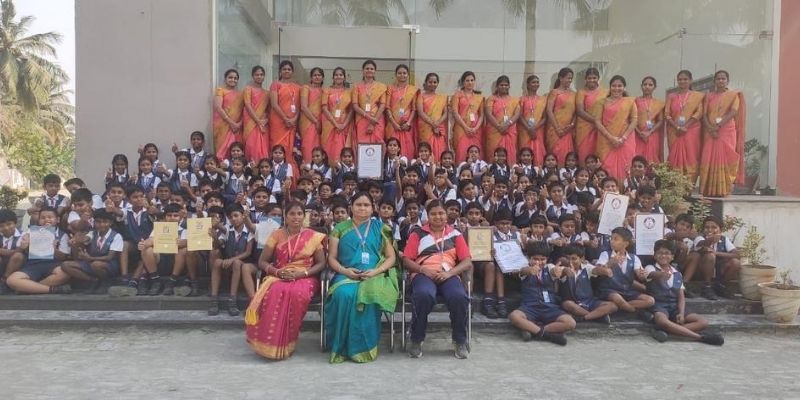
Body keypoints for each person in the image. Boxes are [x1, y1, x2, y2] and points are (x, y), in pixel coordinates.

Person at [245, 202, 327, 360]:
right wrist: (277, 272)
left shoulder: (313, 236)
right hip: (280, 274)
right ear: (285, 216)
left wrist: (302, 273)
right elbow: (262, 261)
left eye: (299, 214)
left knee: (296, 293)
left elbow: (321, 263)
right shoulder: (276, 235)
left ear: (304, 216)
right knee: (273, 291)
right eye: (292, 214)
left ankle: (288, 341)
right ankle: (270, 342)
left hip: (306, 276)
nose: (296, 217)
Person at [325, 192, 398, 363]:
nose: (362, 208)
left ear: (373, 208)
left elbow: (391, 257)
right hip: (346, 274)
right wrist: (345, 271)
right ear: (351, 207)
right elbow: (331, 258)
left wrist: (376, 271)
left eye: (366, 205)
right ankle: (341, 347)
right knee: (343, 295)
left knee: (369, 294)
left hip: (374, 275)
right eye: (358, 204)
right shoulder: (339, 229)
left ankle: (364, 347)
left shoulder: (381, 228)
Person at [402, 200, 472, 359]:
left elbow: (467, 261)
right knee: (423, 295)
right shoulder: (417, 233)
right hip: (423, 274)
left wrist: (450, 273)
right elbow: (406, 260)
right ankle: (416, 338)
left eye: (441, 213)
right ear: (427, 215)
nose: (438, 217)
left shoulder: (456, 234)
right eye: (433, 213)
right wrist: (422, 270)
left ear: (446, 215)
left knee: (459, 297)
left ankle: (460, 340)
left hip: (448, 275)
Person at [646, 240, 724, 345]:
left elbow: (681, 296)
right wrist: (661, 275)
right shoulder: (650, 267)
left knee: (703, 322)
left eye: (667, 253)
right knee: (662, 321)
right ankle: (700, 337)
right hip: (659, 306)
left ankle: (667, 332)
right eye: (660, 253)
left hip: (674, 306)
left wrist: (681, 313)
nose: (663, 256)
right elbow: (651, 274)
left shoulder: (677, 273)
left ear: (672, 257)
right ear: (655, 255)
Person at [508, 241, 576, 346]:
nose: (538, 262)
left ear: (547, 259)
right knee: (514, 316)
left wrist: (564, 270)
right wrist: (530, 270)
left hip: (550, 307)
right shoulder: (524, 267)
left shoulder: (549, 267)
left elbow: (556, 270)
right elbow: (523, 271)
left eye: (542, 259)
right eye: (535, 259)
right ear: (529, 258)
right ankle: (547, 335)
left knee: (570, 323)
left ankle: (533, 330)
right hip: (530, 307)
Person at [699, 70, 746, 197]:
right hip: (710, 131)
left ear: (727, 81)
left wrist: (718, 126)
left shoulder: (733, 95)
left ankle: (724, 189)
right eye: (718, 78)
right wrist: (710, 128)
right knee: (708, 156)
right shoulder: (708, 96)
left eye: (723, 78)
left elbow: (733, 112)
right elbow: (704, 114)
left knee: (727, 155)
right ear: (714, 81)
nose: (720, 81)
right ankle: (709, 190)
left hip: (726, 130)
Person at [7, 207, 72, 294]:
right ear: (39, 220)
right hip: (32, 265)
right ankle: (51, 290)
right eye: (43, 218)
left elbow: (63, 257)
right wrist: (24, 245)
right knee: (12, 280)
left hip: (53, 265)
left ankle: (29, 288)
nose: (47, 220)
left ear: (57, 220)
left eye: (50, 217)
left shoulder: (63, 235)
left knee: (65, 273)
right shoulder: (31, 231)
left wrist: (54, 249)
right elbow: (21, 247)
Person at [593, 227, 655, 318]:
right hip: (609, 290)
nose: (611, 241)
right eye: (611, 238)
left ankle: (619, 308)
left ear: (626, 243)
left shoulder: (634, 258)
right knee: (617, 298)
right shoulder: (605, 254)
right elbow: (597, 271)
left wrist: (642, 275)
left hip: (627, 291)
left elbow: (639, 274)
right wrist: (610, 263)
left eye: (616, 239)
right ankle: (636, 312)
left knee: (650, 300)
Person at [61, 210, 124, 294]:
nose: (101, 224)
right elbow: (86, 238)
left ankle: (105, 282)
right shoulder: (92, 233)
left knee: (96, 264)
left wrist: (90, 258)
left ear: (110, 223)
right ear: (94, 222)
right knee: (65, 265)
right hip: (91, 262)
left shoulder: (116, 236)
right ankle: (93, 280)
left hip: (109, 265)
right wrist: (76, 241)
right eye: (98, 222)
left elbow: (109, 257)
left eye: (105, 222)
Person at [209, 204, 255, 316]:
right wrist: (215, 237)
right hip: (229, 261)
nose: (233, 219)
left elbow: (248, 252)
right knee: (217, 262)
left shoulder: (249, 231)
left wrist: (232, 259)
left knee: (236, 262)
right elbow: (217, 245)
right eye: (230, 217)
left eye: (236, 215)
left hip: (244, 262)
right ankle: (214, 299)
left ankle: (232, 300)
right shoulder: (228, 231)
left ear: (243, 216)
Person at [594, 75, 638, 180]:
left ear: (624, 87)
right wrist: (610, 138)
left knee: (626, 166)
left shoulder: (630, 102)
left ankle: (626, 189)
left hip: (625, 140)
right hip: (606, 140)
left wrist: (623, 138)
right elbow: (597, 121)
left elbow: (634, 120)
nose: (616, 88)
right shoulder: (601, 102)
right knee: (606, 167)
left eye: (620, 86)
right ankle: (608, 188)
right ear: (610, 87)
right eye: (614, 86)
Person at [558, 244, 617, 323]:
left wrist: (605, 271)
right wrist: (567, 271)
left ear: (582, 258)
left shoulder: (587, 267)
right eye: (568, 258)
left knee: (612, 306)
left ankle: (585, 317)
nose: (570, 262)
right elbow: (563, 271)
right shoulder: (563, 268)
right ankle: (596, 316)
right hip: (574, 303)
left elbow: (596, 270)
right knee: (567, 304)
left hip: (589, 302)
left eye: (574, 259)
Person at [665, 70, 704, 184]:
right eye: (680, 79)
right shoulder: (672, 96)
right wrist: (677, 127)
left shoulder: (697, 96)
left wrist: (686, 126)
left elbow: (699, 112)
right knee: (674, 157)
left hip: (691, 131)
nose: (682, 81)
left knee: (691, 156)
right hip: (675, 132)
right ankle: (675, 185)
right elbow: (666, 114)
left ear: (691, 80)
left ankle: (689, 185)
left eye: (685, 79)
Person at [693, 216, 741, 298]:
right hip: (701, 272)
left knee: (736, 262)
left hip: (719, 271)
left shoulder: (724, 239)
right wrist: (711, 240)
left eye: (714, 227)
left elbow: (736, 255)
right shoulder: (699, 238)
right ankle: (707, 286)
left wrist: (716, 253)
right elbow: (701, 244)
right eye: (707, 227)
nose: (710, 230)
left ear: (720, 230)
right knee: (710, 256)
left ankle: (721, 286)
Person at [269, 60, 301, 169]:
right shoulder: (275, 85)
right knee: (277, 145)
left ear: (292, 72)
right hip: (278, 121)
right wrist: (285, 118)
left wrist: (294, 119)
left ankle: (289, 170)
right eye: (284, 69)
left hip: (292, 122)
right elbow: (274, 104)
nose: (286, 71)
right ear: (280, 71)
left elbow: (299, 106)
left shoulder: (298, 87)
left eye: (289, 69)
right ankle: (275, 169)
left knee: (290, 147)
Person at [321, 67, 354, 167]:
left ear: (344, 77)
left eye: (341, 75)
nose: (338, 77)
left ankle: (343, 170)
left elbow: (351, 110)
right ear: (333, 77)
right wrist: (335, 124)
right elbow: (324, 108)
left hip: (344, 125)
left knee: (342, 148)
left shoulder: (349, 92)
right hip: (330, 124)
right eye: (336, 75)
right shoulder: (326, 90)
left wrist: (344, 124)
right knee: (329, 148)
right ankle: (329, 169)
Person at [484, 75, 520, 165]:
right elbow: (488, 113)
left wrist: (508, 124)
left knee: (510, 154)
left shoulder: (514, 100)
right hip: (495, 131)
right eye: (501, 85)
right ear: (497, 86)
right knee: (493, 153)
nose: (504, 87)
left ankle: (510, 170)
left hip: (509, 131)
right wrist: (499, 126)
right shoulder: (491, 99)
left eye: (506, 85)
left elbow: (517, 114)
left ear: (509, 86)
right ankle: (493, 171)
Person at [575, 68, 607, 165]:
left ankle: (599, 173)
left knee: (600, 152)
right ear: (585, 79)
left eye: (594, 78)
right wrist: (595, 121)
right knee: (584, 152)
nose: (592, 80)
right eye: (589, 78)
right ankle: (584, 173)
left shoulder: (605, 92)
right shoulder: (581, 92)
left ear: (598, 78)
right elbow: (580, 111)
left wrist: (599, 123)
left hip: (601, 128)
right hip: (585, 128)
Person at [545, 67, 577, 166]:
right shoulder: (554, 92)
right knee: (555, 153)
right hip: (555, 130)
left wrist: (572, 125)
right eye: (568, 78)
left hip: (568, 130)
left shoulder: (574, 94)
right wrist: (558, 129)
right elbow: (549, 110)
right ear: (560, 78)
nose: (570, 80)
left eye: (571, 78)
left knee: (567, 154)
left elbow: (576, 112)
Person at [385, 64, 418, 159]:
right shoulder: (390, 88)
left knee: (408, 147)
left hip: (406, 126)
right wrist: (394, 123)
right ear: (395, 74)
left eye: (404, 73)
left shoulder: (412, 90)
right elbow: (387, 107)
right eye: (399, 73)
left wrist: (408, 123)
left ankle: (407, 166)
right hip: (393, 125)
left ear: (408, 75)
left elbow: (414, 109)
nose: (402, 75)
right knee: (392, 146)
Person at [451, 71, 484, 161]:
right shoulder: (457, 95)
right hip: (461, 128)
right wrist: (466, 127)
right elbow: (455, 112)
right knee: (461, 152)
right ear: (463, 82)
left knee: (476, 152)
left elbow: (482, 115)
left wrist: (476, 128)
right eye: (467, 80)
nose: (470, 82)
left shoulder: (479, 97)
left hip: (475, 130)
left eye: (472, 80)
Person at [353, 60, 387, 145]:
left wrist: (373, 122)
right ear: (363, 70)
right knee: (362, 144)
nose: (369, 70)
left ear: (375, 71)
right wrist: (368, 117)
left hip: (377, 119)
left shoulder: (381, 87)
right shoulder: (356, 86)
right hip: (362, 118)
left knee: (377, 144)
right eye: (367, 68)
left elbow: (382, 105)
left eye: (372, 69)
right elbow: (355, 105)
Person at [416, 72, 449, 162]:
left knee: (440, 149)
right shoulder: (421, 96)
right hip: (425, 127)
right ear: (426, 82)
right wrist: (433, 124)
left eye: (435, 82)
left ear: (437, 83)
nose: (432, 84)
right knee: (426, 148)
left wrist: (437, 124)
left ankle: (438, 167)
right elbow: (420, 112)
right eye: (430, 82)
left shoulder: (442, 98)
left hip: (439, 128)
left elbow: (445, 113)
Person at [213, 69, 244, 159]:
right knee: (222, 151)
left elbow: (244, 111)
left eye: (235, 78)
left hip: (237, 128)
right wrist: (232, 123)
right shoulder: (220, 90)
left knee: (236, 150)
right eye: (230, 77)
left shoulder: (241, 94)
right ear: (225, 79)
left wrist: (239, 124)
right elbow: (218, 107)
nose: (233, 80)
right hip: (223, 126)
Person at [517, 75, 548, 166]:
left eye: (537, 82)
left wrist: (534, 128)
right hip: (525, 130)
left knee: (538, 152)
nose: (536, 84)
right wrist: (529, 128)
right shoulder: (522, 99)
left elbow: (545, 117)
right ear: (528, 84)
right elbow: (519, 116)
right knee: (524, 150)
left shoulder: (543, 100)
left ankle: (538, 170)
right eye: (533, 82)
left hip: (538, 130)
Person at [634, 76, 665, 164]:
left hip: (652, 134)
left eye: (650, 85)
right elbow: (631, 119)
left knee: (652, 160)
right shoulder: (635, 101)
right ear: (641, 86)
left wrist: (649, 132)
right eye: (645, 84)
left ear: (654, 87)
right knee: (637, 157)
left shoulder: (659, 103)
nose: (647, 87)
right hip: (638, 135)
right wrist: (639, 133)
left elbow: (660, 120)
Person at [243, 65, 270, 163]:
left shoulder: (267, 93)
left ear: (264, 76)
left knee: (263, 147)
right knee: (251, 146)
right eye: (257, 75)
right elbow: (247, 105)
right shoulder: (248, 89)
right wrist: (258, 121)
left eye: (261, 74)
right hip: (251, 122)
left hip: (263, 124)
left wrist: (266, 120)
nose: (259, 76)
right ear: (253, 76)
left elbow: (269, 110)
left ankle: (264, 167)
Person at [300, 67, 325, 164]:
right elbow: (303, 107)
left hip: (321, 124)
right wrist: (315, 121)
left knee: (319, 146)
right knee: (308, 146)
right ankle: (307, 166)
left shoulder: (324, 91)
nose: (317, 77)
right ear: (311, 77)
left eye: (319, 75)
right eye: (315, 75)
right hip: (308, 122)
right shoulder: (306, 88)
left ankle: (318, 169)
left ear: (322, 78)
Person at [0, 209, 25, 294]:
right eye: (1, 226)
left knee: (18, 255)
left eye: (9, 224)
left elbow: (19, 251)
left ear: (15, 223)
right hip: (2, 264)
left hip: (16, 266)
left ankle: (4, 282)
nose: (6, 228)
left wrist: (3, 251)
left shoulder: (23, 235)